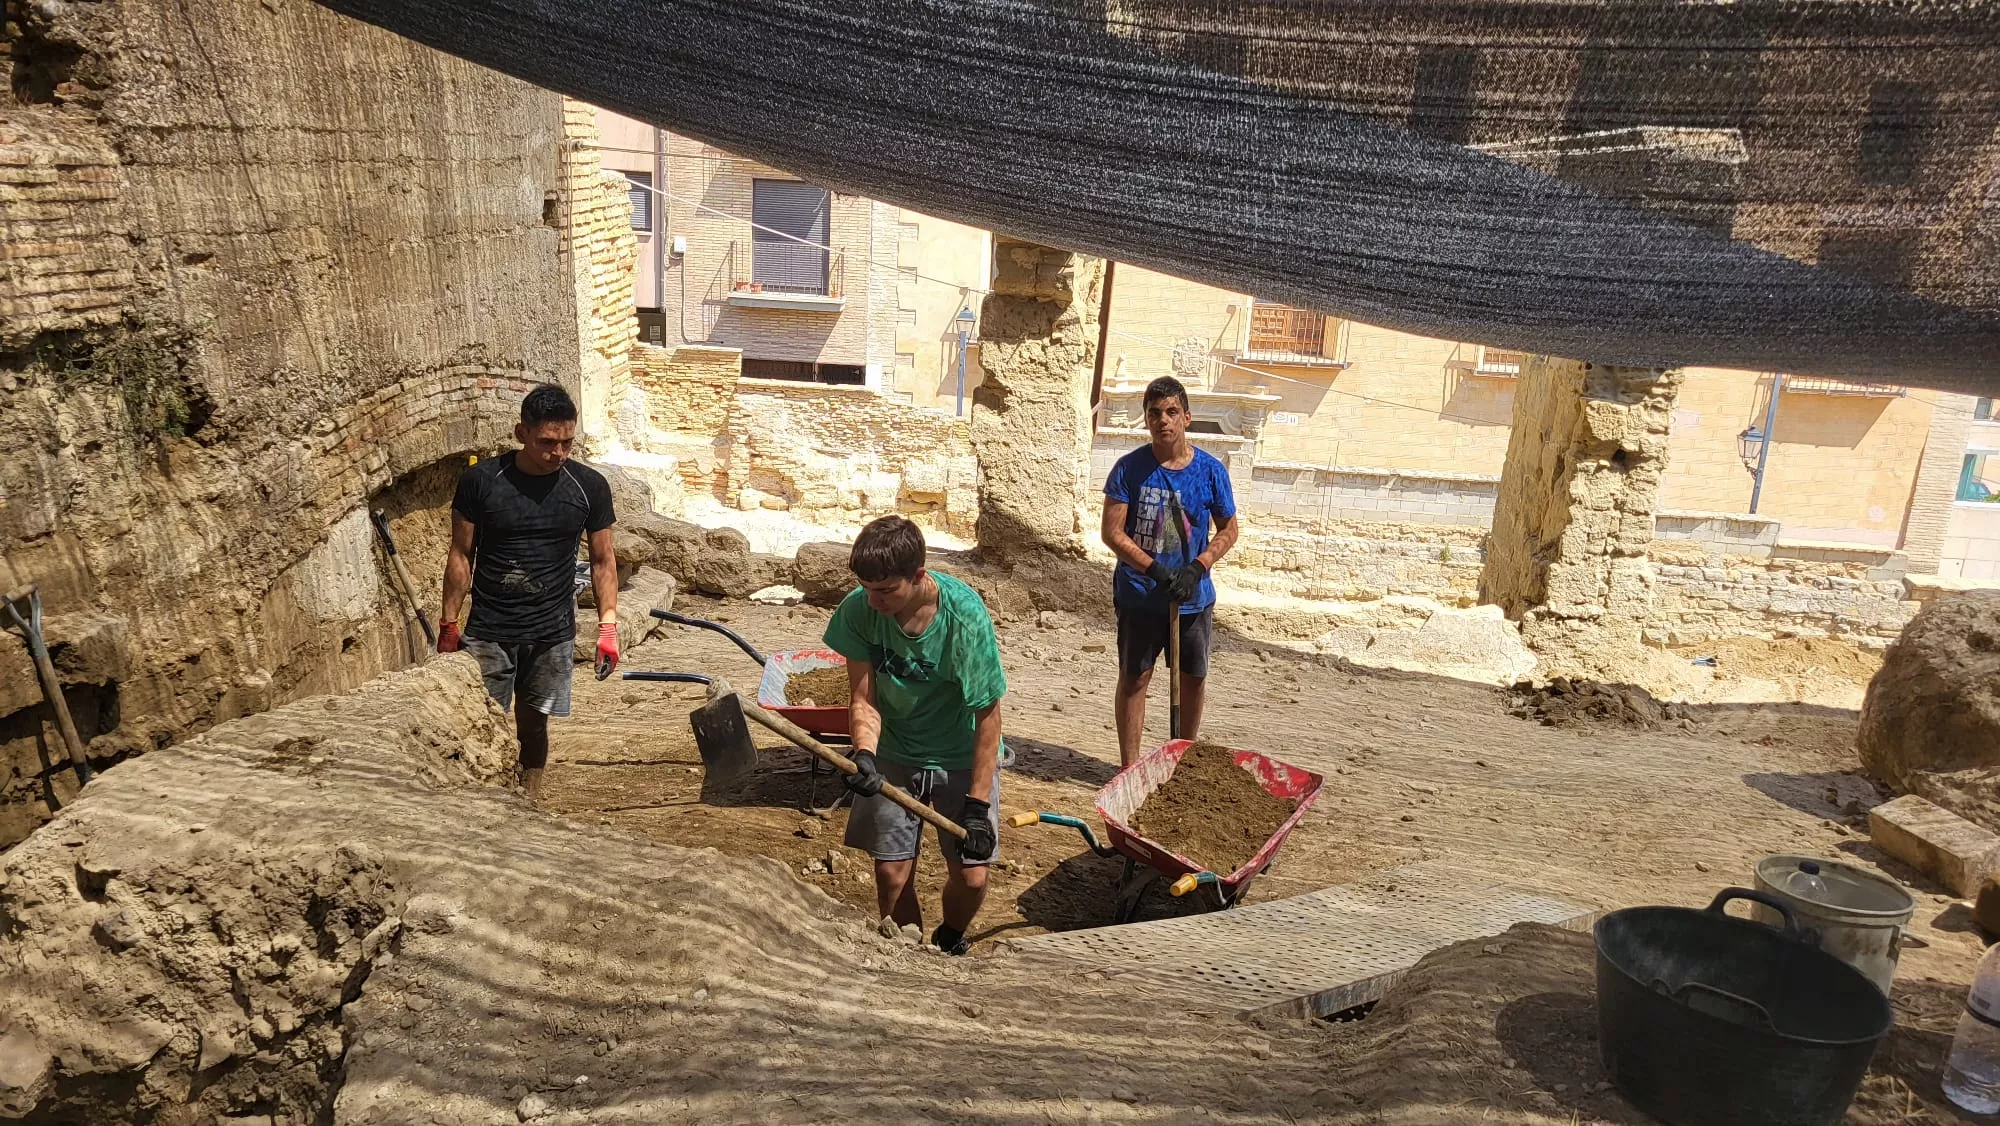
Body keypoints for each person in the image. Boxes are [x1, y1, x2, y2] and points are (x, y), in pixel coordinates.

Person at [825, 515, 1005, 956]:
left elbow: (988, 717)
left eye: (886, 591)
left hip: (959, 753)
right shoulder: (859, 610)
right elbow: (863, 698)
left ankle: (949, 937)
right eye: (867, 588)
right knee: (891, 874)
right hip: (895, 750)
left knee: (972, 876)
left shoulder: (964, 619)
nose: (873, 601)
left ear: (919, 575)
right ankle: (906, 955)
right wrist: (865, 754)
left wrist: (977, 807)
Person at [437, 383, 619, 802]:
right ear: (522, 433)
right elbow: (461, 554)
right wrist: (449, 624)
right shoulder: (482, 481)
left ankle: (529, 796)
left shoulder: (588, 486)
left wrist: (608, 628)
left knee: (535, 721)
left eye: (567, 442)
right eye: (547, 442)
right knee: (482, 719)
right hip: (490, 629)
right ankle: (483, 800)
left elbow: (603, 560)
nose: (559, 453)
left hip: (551, 631)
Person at [1100, 375, 1240, 767]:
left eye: (1172, 412)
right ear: (1146, 419)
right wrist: (1154, 570)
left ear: (1186, 417)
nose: (1163, 420)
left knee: (1192, 678)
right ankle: (1130, 767)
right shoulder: (1129, 470)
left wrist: (1198, 567)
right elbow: (1112, 532)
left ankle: (1183, 762)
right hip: (1140, 596)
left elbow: (1229, 529)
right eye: (1155, 413)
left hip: (1192, 599)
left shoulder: (1210, 471)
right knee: (1135, 677)